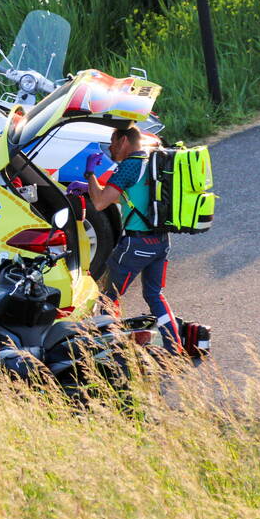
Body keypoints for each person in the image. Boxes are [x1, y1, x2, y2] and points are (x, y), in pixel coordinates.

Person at [65, 126, 182, 354]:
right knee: (154, 294)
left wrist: (89, 175)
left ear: (125, 140)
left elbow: (100, 203)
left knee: (107, 297)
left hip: (136, 246)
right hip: (160, 242)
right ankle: (174, 345)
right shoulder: (150, 160)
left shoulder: (129, 166)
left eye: (113, 141)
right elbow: (128, 200)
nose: (110, 147)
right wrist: (90, 188)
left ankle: (113, 352)